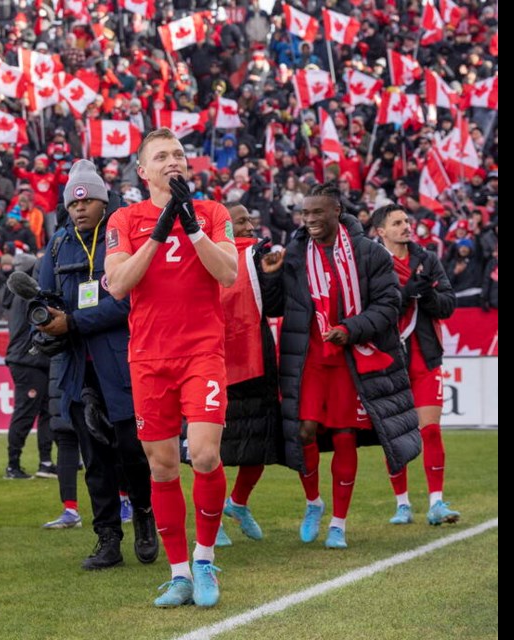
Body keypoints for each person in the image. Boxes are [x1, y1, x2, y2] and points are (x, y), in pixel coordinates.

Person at [104, 128, 238, 608]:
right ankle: (179, 573)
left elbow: (228, 272)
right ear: (143, 171)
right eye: (161, 156)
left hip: (202, 352)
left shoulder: (213, 212)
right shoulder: (124, 218)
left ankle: (204, 561)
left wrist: (190, 223)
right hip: (148, 359)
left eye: (179, 153)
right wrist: (162, 227)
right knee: (161, 467)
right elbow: (118, 284)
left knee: (202, 455)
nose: (173, 160)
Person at [260, 183, 420, 551]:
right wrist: (271, 276)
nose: (310, 219)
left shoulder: (370, 254)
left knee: (346, 436)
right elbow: (275, 308)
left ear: (336, 211)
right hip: (310, 359)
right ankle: (314, 503)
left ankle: (338, 523)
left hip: (352, 356)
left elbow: (388, 306)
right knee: (304, 433)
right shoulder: (296, 253)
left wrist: (349, 329)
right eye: (305, 213)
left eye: (317, 212)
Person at [37, 160, 158, 570]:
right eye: (73, 204)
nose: (80, 209)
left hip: (122, 363)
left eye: (87, 201)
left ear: (104, 201)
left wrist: (72, 321)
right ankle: (108, 539)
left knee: (132, 451)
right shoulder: (57, 245)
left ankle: (144, 517)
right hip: (76, 368)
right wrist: (46, 321)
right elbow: (45, 295)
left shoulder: (123, 236)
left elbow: (128, 302)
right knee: (95, 462)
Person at [372, 204, 460, 526]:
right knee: (394, 436)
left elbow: (449, 304)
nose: (406, 227)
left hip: (425, 356)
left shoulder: (428, 259)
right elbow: (373, 310)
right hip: (390, 360)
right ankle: (402, 505)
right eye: (397, 223)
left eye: (407, 221)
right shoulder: (373, 263)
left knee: (431, 430)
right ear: (381, 231)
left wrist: (430, 298)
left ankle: (437, 503)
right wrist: (405, 295)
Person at [214, 205, 283, 546]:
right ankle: (215, 520)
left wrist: (270, 276)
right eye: (241, 221)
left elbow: (275, 306)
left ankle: (238, 504)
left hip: (259, 358)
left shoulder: (261, 257)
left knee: (261, 443)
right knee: (217, 449)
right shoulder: (208, 257)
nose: (249, 225)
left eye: (250, 220)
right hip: (216, 360)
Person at [2, 251, 54, 480]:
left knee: (45, 411)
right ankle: (13, 465)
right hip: (28, 359)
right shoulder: (27, 295)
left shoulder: (13, 295)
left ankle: (45, 461)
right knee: (26, 412)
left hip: (30, 359)